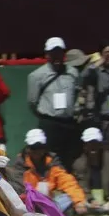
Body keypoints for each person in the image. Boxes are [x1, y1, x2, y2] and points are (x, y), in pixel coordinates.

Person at [27, 37, 80, 166]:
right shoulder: (36, 76)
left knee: (70, 157)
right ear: (47, 55)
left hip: (69, 122)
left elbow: (77, 94)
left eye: (59, 52)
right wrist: (45, 116)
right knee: (49, 158)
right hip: (50, 123)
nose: (57, 56)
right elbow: (32, 102)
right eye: (53, 53)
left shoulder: (73, 73)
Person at [11, 129, 87, 215]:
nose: (38, 151)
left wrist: (79, 201)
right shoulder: (20, 165)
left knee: (68, 198)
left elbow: (67, 181)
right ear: (28, 148)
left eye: (41, 147)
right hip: (30, 205)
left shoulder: (52, 162)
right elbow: (20, 190)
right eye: (34, 147)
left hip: (50, 202)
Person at [71, 127, 109, 214]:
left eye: (95, 143)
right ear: (85, 146)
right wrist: (90, 199)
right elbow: (81, 185)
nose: (92, 147)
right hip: (88, 199)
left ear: (101, 145)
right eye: (89, 144)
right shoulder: (78, 163)